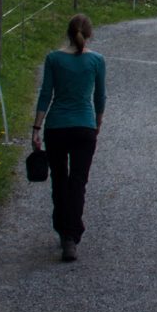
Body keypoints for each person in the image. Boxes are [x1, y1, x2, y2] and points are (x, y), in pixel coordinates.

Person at [31, 15, 107, 262]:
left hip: (56, 127)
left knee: (60, 180)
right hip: (84, 127)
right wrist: (97, 122)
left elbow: (45, 95)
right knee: (78, 182)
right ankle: (72, 235)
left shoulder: (53, 59)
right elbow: (100, 97)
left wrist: (36, 127)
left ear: (67, 33)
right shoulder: (97, 60)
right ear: (90, 34)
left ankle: (63, 230)